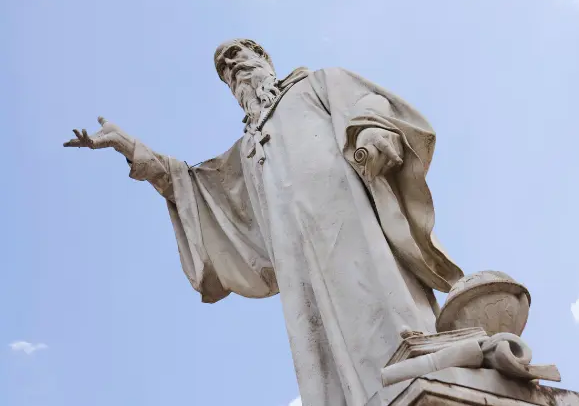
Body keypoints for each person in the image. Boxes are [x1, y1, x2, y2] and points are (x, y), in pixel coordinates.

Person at [64, 38, 463, 406]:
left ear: (263, 57)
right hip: (294, 255)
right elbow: (191, 185)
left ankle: (416, 375)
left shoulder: (316, 84)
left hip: (347, 217)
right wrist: (129, 146)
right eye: (224, 68)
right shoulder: (248, 149)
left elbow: (369, 103)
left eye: (237, 54)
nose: (231, 66)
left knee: (380, 303)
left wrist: (372, 132)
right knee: (317, 342)